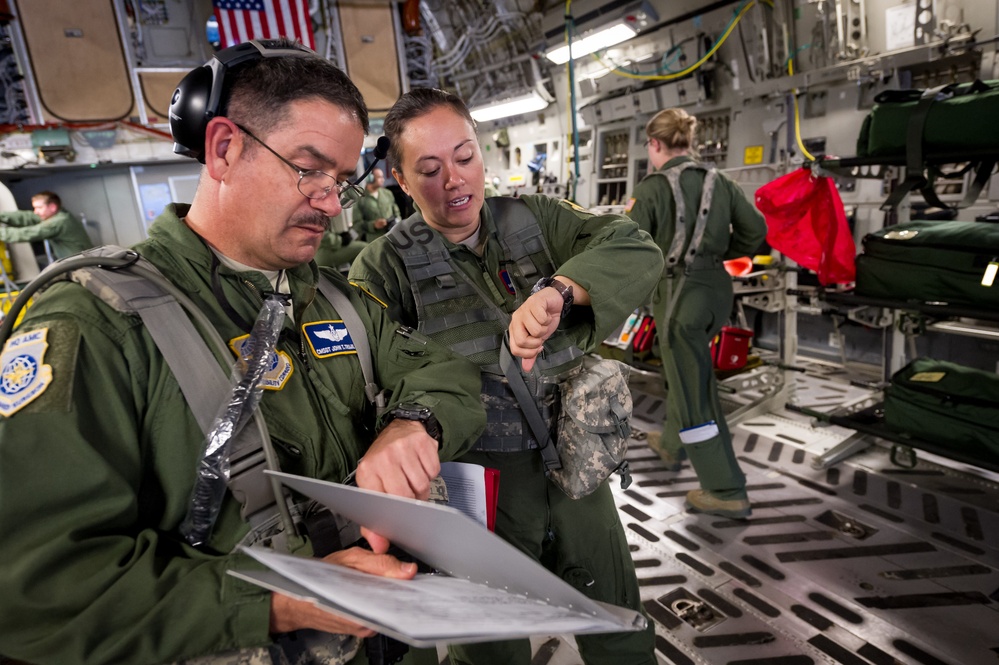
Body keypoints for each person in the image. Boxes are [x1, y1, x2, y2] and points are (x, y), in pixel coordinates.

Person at [0, 40, 486, 665]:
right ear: (224, 147)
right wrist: (277, 601)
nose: (333, 204)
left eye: (342, 179)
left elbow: (447, 374)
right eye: (310, 169)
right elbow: (38, 590)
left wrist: (412, 422)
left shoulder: (334, 300)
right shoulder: (95, 327)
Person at [349, 87, 663, 665]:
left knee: (617, 621)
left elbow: (634, 244)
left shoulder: (534, 220)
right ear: (399, 177)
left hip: (574, 466)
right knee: (492, 645)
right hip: (481, 482)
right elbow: (369, 377)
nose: (455, 180)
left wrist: (562, 292)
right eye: (430, 169)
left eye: (465, 156)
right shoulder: (383, 266)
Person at [625, 107, 767, 519]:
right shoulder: (719, 181)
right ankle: (671, 443)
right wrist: (718, 254)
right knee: (688, 369)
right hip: (715, 292)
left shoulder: (651, 188)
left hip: (678, 295)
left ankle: (724, 488)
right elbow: (755, 232)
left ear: (655, 145)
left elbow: (630, 245)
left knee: (695, 392)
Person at [0, 190, 94, 260]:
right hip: (77, 262)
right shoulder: (58, 215)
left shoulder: (60, 221)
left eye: (39, 208)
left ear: (52, 207)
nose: (36, 212)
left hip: (81, 265)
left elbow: (29, 233)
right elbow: (27, 217)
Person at [354, 167, 401, 241]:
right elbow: (357, 225)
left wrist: (396, 222)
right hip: (375, 240)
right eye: (380, 177)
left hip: (392, 236)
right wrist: (373, 225)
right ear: (370, 179)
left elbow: (397, 214)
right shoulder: (360, 200)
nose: (383, 179)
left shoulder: (388, 194)